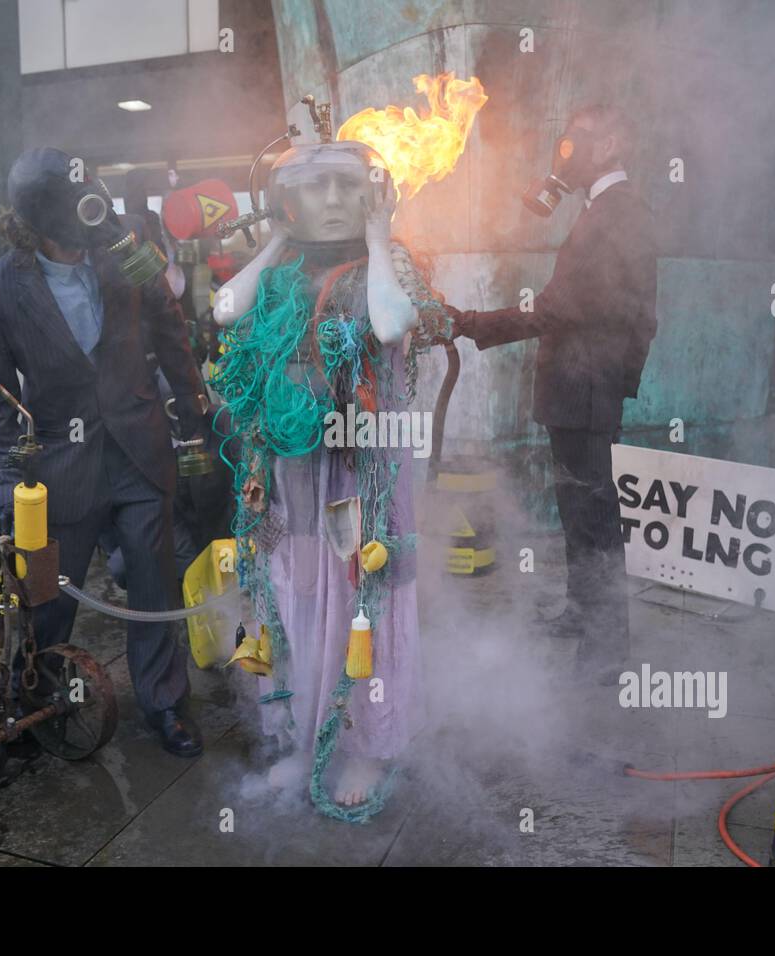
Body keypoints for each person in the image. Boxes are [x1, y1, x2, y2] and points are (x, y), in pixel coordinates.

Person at [211, 140, 449, 816]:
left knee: (361, 603)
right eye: (315, 188)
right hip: (293, 476)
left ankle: (368, 747)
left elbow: (392, 320)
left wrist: (378, 240)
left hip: (360, 477)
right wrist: (275, 240)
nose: (335, 199)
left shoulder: (387, 264)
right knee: (298, 598)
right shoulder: (281, 276)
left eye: (350, 185)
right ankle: (305, 739)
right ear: (288, 202)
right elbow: (226, 308)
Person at [0, 146, 208, 757]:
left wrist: (193, 411)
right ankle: (36, 700)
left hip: (139, 453)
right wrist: (9, 483)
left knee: (155, 584)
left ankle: (164, 702)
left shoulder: (123, 253)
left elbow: (170, 330)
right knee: (48, 596)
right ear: (37, 221)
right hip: (59, 469)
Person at [448, 104, 658, 677]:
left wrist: (472, 322)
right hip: (583, 389)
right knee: (576, 509)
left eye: (576, 142)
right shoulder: (604, 210)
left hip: (587, 390)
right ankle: (580, 610)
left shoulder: (620, 214)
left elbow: (565, 307)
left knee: (594, 518)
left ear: (611, 144)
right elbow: (638, 317)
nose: (565, 153)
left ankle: (607, 649)